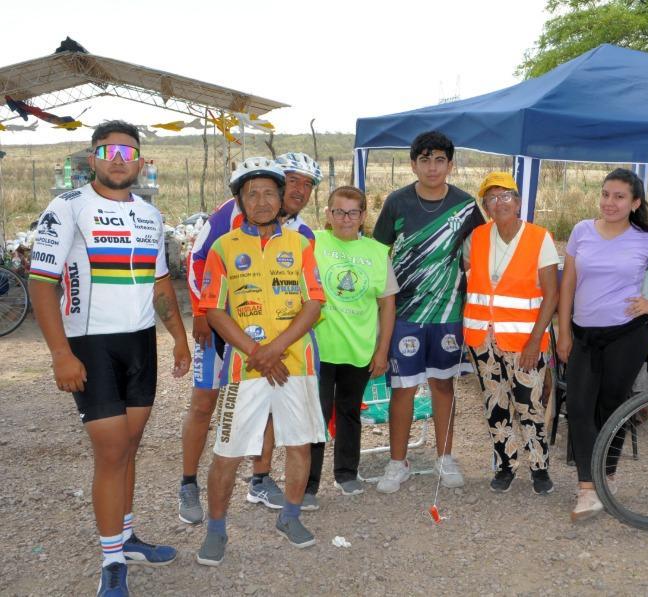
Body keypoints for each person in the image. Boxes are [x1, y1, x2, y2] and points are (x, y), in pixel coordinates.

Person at [28, 121, 191, 596]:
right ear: (93, 157)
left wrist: (178, 338)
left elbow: (160, 282)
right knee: (113, 451)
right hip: (91, 344)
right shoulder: (68, 206)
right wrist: (61, 354)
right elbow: (41, 283)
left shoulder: (149, 213)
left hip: (139, 344)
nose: (119, 160)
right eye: (109, 151)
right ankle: (111, 560)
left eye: (128, 152)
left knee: (130, 447)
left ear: (139, 161)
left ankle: (126, 536)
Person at [195, 158, 326, 566]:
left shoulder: (301, 244)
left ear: (281, 198)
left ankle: (290, 516)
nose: (263, 201)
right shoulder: (223, 248)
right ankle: (217, 529)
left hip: (296, 364)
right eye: (252, 194)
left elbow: (314, 304)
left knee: (299, 445)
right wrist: (258, 354)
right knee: (228, 452)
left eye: (270, 192)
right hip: (244, 368)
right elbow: (214, 310)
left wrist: (274, 349)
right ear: (240, 201)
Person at [558, 167, 648, 522]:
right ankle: (587, 488)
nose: (609, 202)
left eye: (619, 197)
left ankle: (605, 477)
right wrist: (564, 331)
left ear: (635, 203)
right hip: (584, 335)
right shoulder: (582, 231)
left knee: (612, 408)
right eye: (605, 194)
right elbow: (568, 285)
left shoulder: (647, 239)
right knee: (579, 408)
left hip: (626, 336)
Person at [372, 130, 485, 493]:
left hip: (448, 314)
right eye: (425, 160)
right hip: (404, 313)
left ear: (450, 165)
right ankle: (397, 462)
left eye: (439, 160)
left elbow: (480, 255)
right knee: (403, 389)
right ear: (413, 164)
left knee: (443, 385)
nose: (432, 167)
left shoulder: (466, 206)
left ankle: (445, 457)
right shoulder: (397, 202)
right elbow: (377, 255)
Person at [462, 172, 559, 494]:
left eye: (505, 196)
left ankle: (539, 468)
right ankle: (506, 466)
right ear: (486, 206)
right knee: (496, 405)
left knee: (529, 405)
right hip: (482, 340)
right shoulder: (477, 237)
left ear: (518, 202)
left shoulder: (539, 238)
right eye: (492, 198)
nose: (499, 203)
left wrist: (535, 341)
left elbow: (551, 295)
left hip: (524, 341)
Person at [305, 186, 398, 501]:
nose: (346, 218)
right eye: (339, 212)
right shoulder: (312, 242)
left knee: (349, 412)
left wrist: (382, 350)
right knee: (315, 416)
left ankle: (346, 473)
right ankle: (308, 483)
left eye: (353, 212)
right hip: (319, 349)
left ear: (363, 216)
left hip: (358, 349)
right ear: (328, 214)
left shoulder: (377, 252)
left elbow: (388, 305)